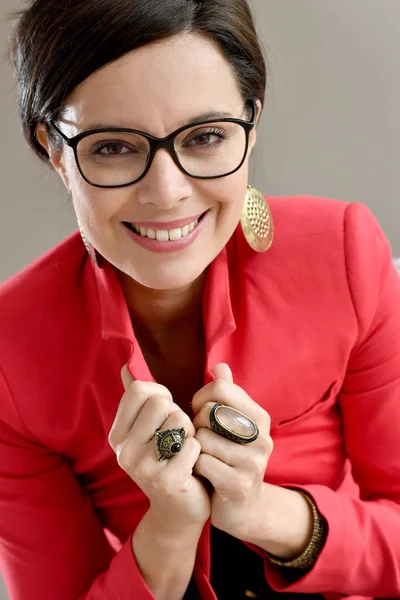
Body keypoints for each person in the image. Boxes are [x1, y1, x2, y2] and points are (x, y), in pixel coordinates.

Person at [0, 0, 399, 599]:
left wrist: (259, 510)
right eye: (112, 146)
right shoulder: (10, 351)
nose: (166, 192)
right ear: (55, 150)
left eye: (207, 136)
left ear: (252, 123)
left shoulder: (344, 254)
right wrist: (170, 523)